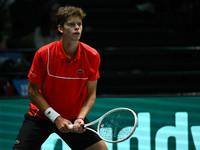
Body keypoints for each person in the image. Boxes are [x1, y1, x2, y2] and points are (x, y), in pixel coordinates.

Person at [13, 5, 108, 150]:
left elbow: (91, 94)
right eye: (71, 24)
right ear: (60, 28)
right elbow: (32, 92)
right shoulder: (44, 54)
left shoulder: (92, 55)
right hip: (41, 117)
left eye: (79, 24)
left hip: (73, 119)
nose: (77, 28)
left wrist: (80, 118)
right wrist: (55, 117)